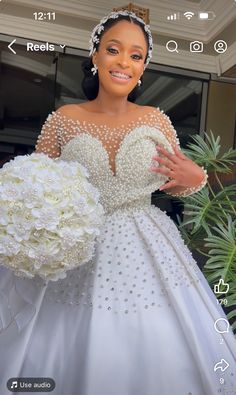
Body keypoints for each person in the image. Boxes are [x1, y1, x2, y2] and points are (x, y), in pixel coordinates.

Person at [0, 9, 235, 395]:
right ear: (95, 56)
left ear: (143, 67)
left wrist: (197, 179)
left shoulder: (156, 119)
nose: (124, 61)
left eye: (136, 55)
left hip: (146, 237)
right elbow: (36, 184)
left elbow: (176, 180)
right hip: (76, 241)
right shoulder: (63, 118)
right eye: (113, 49)